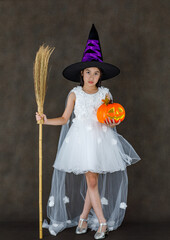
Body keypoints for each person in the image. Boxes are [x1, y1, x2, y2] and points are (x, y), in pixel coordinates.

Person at [35, 24, 141, 239]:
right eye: (88, 72)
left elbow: (109, 117)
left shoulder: (105, 93)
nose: (91, 76)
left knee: (92, 181)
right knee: (92, 181)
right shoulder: (75, 93)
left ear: (100, 75)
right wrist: (45, 121)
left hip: (101, 140)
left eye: (96, 73)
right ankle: (102, 222)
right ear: (81, 74)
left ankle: (83, 218)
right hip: (81, 141)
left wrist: (111, 123)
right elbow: (65, 118)